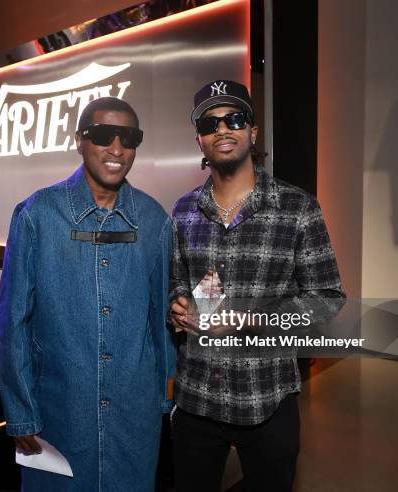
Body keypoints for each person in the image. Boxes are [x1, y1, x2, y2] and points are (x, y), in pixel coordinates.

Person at [169, 80, 346, 492]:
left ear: (252, 130)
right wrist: (176, 304)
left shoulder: (297, 208)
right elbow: (176, 281)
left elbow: (328, 300)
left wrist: (253, 320)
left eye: (234, 118)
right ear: (200, 139)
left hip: (267, 397)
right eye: (210, 124)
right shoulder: (182, 211)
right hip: (197, 397)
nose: (223, 130)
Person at [0, 97, 176, 491]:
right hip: (59, 417)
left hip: (135, 418)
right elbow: (14, 323)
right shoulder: (36, 216)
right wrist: (21, 414)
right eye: (102, 135)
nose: (116, 148)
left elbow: (159, 322)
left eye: (128, 138)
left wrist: (163, 398)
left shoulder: (154, 220)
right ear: (79, 140)